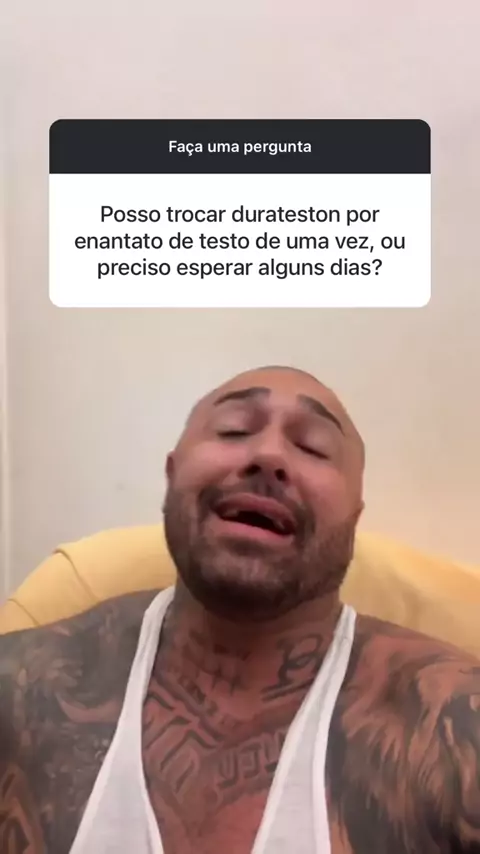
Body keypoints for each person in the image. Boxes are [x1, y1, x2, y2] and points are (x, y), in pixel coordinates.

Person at [0, 365, 479, 854]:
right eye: (234, 430)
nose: (269, 456)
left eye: (313, 447)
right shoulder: (19, 692)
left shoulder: (457, 729)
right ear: (172, 475)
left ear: (354, 514)